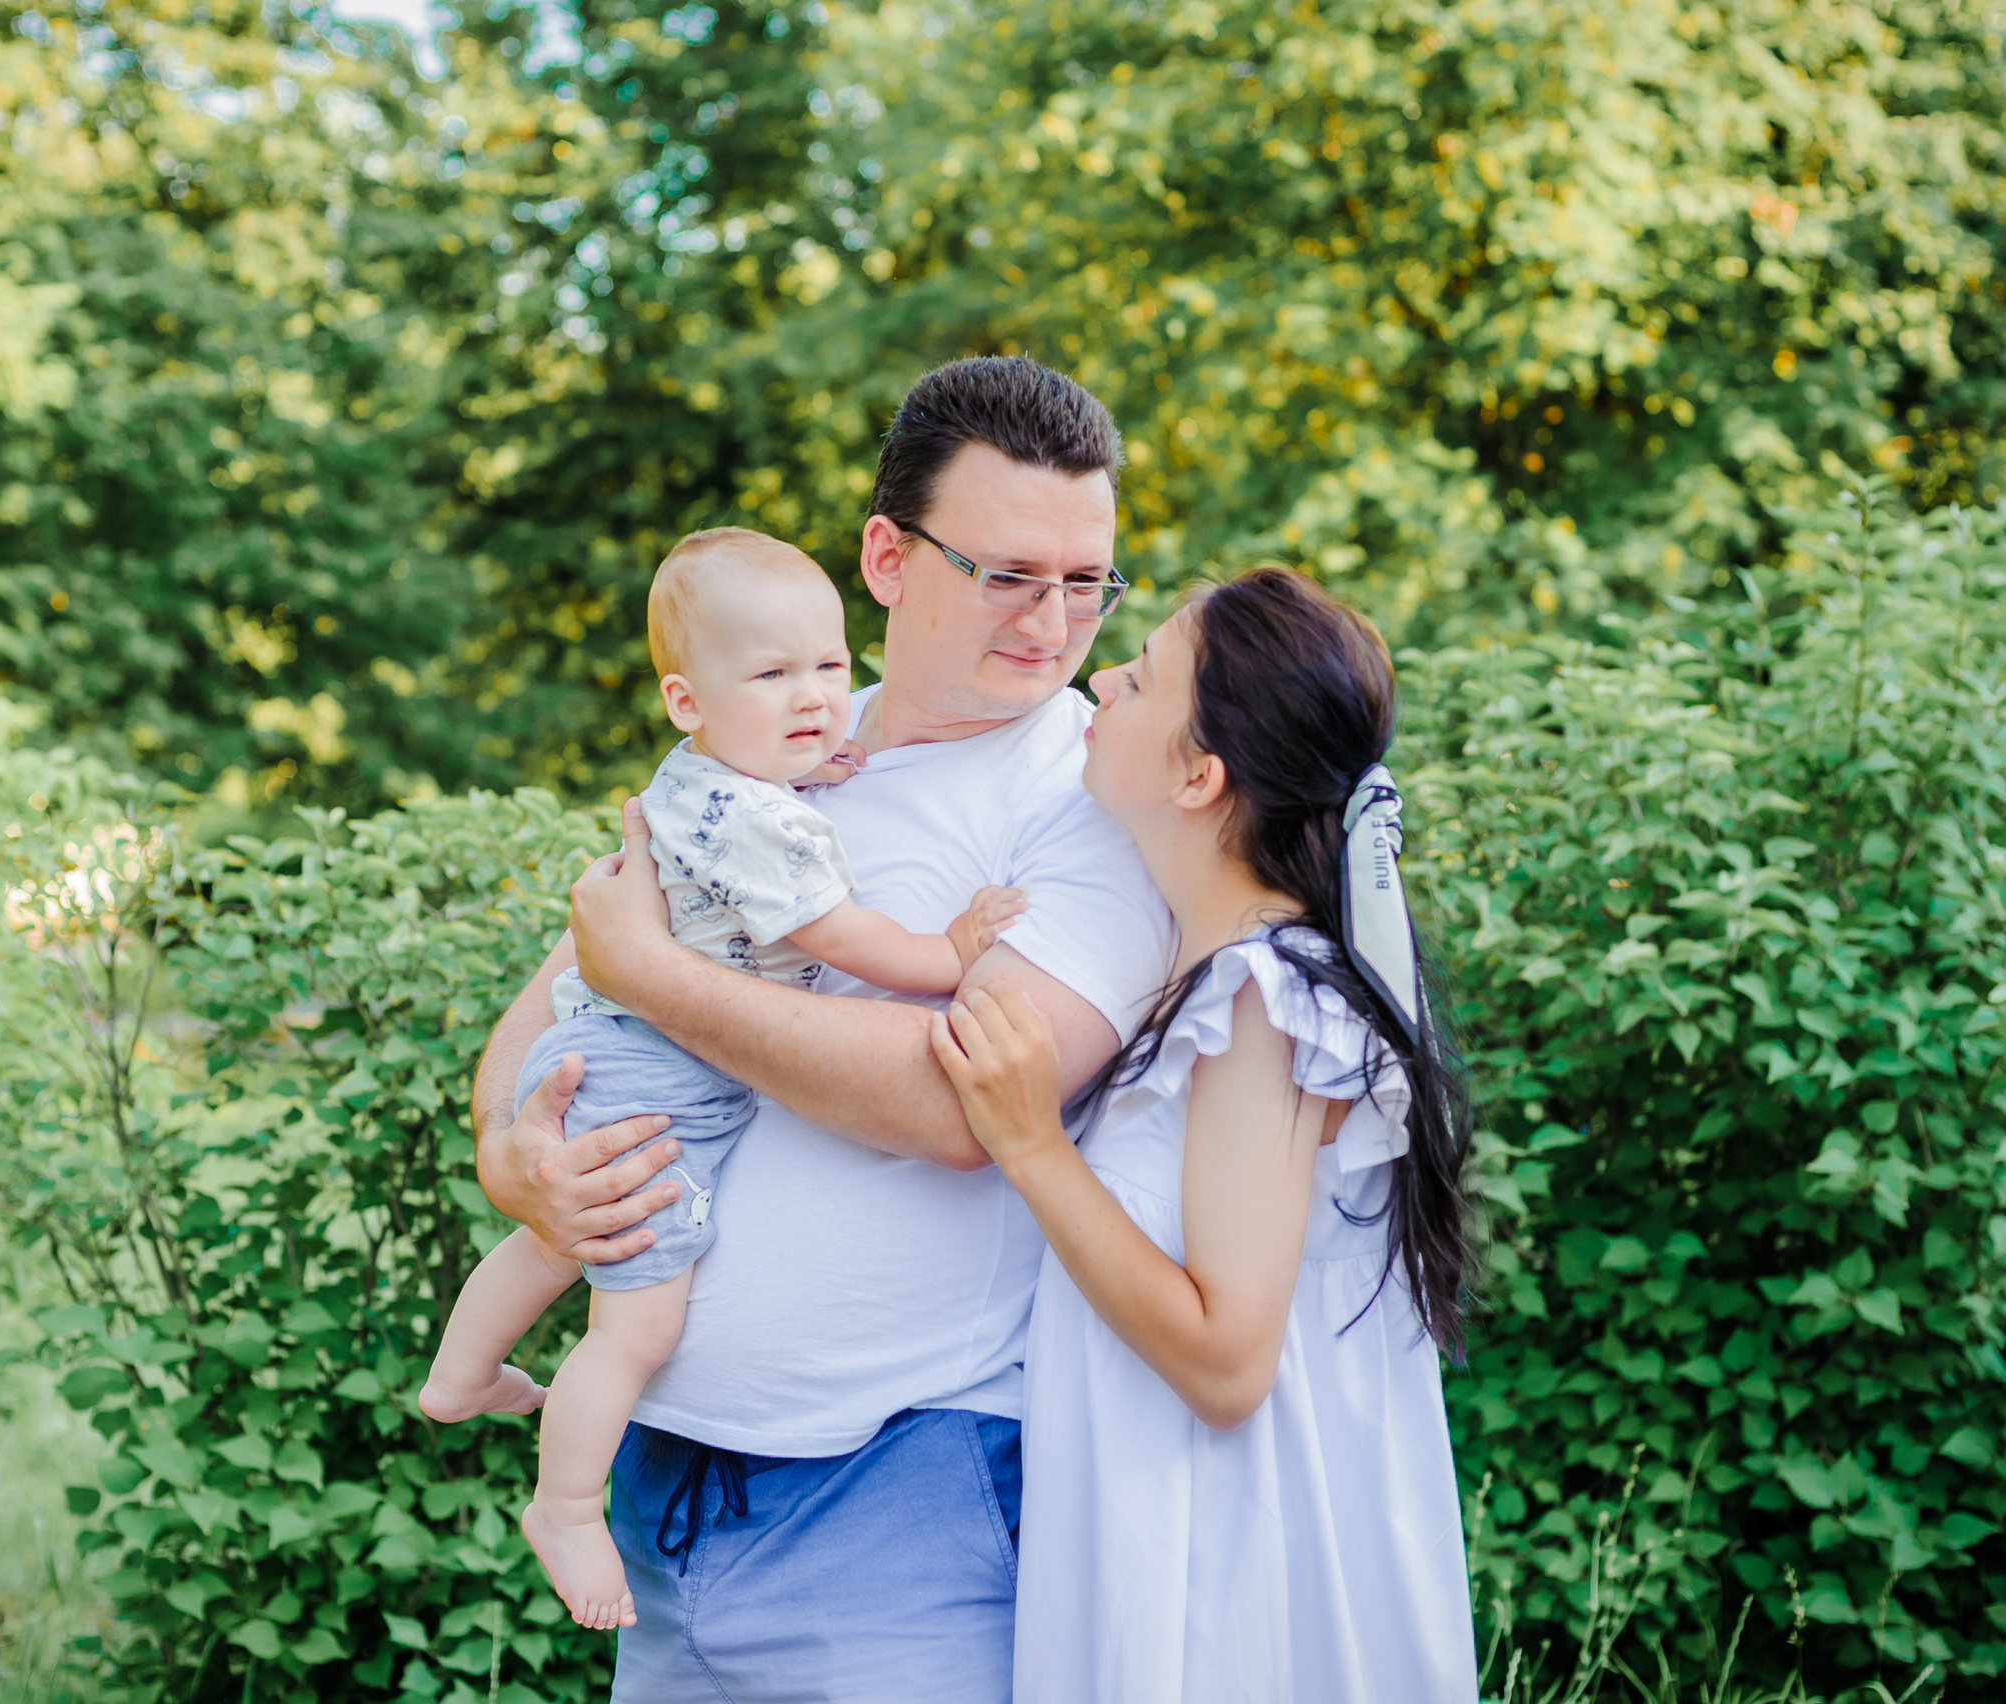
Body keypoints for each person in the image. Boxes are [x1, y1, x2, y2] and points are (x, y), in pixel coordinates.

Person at [463, 357, 1175, 1702]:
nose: (1055, 620)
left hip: (897, 1502)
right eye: (1011, 574)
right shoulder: (770, 741)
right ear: (889, 558)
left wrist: (666, 983)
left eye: (1090, 581)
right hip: (667, 1496)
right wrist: (519, 1159)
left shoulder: (1090, 800)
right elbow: (559, 1002)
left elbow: (960, 1107)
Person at [415, 527, 1026, 1631]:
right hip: (654, 1076)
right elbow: (839, 935)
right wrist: (952, 950)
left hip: (603, 1050)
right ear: (686, 702)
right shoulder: (751, 823)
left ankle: (460, 1376)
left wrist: (813, 756)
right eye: (772, 676)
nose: (815, 699)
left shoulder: (710, 782)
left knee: (564, 1236)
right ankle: (562, 1505)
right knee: (633, 1326)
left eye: (831, 668)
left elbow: (772, 789)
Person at [928, 569, 1480, 1702]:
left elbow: (1228, 1362)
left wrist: (1033, 1146)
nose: (1100, 676)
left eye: (1141, 677)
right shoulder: (1221, 980)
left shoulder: (1264, 1003)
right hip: (1164, 1520)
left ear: (1199, 776)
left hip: (1224, 1569)